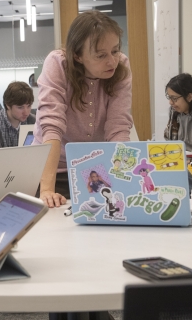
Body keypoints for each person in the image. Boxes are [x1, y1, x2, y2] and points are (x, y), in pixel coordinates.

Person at [33, 10, 133, 208]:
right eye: (100, 55)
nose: (111, 61)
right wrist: (46, 190)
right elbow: (52, 126)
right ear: (78, 56)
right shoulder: (58, 63)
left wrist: (124, 181)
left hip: (92, 171)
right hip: (51, 171)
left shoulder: (121, 66)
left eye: (115, 50)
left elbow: (118, 127)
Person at [0, 80, 36, 156]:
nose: (26, 112)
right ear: (8, 105)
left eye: (29, 106)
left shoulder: (34, 122)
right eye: (20, 107)